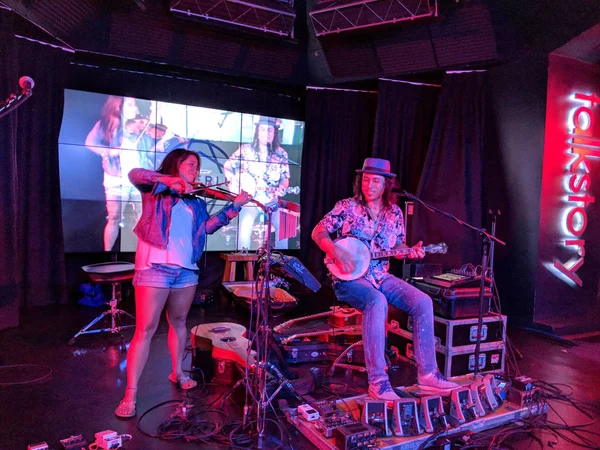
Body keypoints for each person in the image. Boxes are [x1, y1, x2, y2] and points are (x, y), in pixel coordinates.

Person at [114, 149, 252, 418]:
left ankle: (177, 372)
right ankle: (130, 392)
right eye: (190, 164)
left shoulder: (196, 201)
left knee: (179, 323)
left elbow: (207, 228)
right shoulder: (155, 190)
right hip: (155, 267)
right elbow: (134, 174)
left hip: (186, 270)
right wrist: (167, 181)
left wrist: (233, 208)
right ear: (175, 164)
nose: (195, 170)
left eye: (197, 167)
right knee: (145, 329)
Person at [311, 157, 459, 402]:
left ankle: (429, 375)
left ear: (386, 185)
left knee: (423, 302)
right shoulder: (346, 207)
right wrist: (336, 251)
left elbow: (397, 245)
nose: (369, 185)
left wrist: (409, 250)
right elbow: (318, 232)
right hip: (350, 280)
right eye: (366, 180)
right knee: (376, 301)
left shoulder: (395, 214)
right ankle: (378, 382)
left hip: (381, 275)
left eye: (375, 181)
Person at [85, 96, 154, 251]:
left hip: (138, 180)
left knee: (142, 218)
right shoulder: (106, 125)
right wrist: (109, 151)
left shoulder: (141, 127)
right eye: (131, 105)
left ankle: (141, 253)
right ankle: (107, 254)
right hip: (115, 178)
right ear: (118, 107)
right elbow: (90, 143)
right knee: (114, 218)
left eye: (135, 105)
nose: (135, 109)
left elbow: (149, 150)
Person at [223, 116, 291, 250]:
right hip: (251, 200)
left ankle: (282, 263)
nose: (266, 134)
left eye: (270, 130)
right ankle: (243, 258)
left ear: (275, 133)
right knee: (245, 227)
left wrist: (282, 187)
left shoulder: (281, 153)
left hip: (271, 200)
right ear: (257, 132)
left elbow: (285, 178)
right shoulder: (246, 150)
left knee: (283, 225)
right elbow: (227, 166)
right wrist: (233, 183)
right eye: (263, 130)